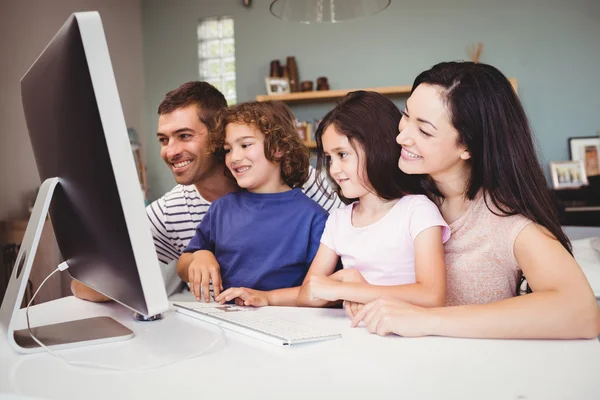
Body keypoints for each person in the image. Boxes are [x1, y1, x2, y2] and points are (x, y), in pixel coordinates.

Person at [350, 62, 600, 339]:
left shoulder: (504, 222)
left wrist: (427, 319)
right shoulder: (399, 196)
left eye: (424, 130)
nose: (401, 136)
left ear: (467, 145)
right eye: (405, 115)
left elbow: (582, 313)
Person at [72, 81, 342, 302]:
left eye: (185, 135)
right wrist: (196, 260)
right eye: (164, 140)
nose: (171, 151)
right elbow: (86, 283)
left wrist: (270, 299)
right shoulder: (178, 211)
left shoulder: (310, 189)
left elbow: (339, 276)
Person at [296, 91, 450, 310]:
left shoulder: (417, 211)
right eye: (329, 158)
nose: (334, 169)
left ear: (378, 147)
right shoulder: (338, 220)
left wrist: (350, 288)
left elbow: (432, 295)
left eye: (343, 154)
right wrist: (345, 279)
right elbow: (306, 295)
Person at [177, 101, 328, 306]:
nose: (234, 157)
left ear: (278, 148)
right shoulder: (221, 209)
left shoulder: (313, 218)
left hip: (284, 324)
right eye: (228, 149)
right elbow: (183, 264)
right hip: (228, 321)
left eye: (245, 145)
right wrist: (200, 256)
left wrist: (267, 298)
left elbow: (322, 289)